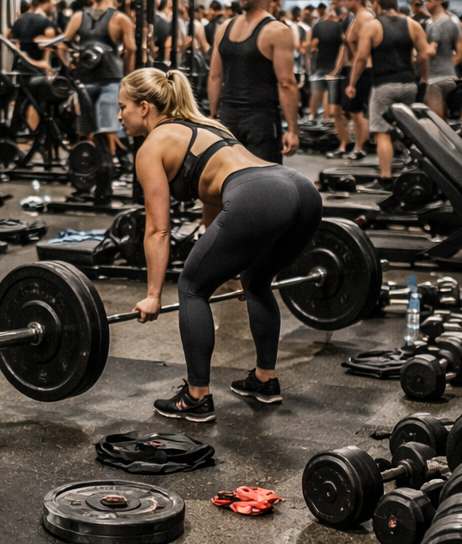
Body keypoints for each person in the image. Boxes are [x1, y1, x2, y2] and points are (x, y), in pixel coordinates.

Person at [120, 69, 322, 422]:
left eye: (123, 107)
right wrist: (228, 262)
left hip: (258, 196)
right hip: (300, 190)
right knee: (256, 281)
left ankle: (196, 396)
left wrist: (153, 294)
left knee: (191, 287)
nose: (120, 115)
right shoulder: (208, 125)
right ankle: (265, 379)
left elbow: (158, 230)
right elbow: (215, 199)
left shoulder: (152, 146)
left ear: (144, 107)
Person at [207, 0, 300, 163]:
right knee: (230, 177)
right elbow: (215, 76)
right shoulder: (225, 28)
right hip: (230, 119)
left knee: (258, 179)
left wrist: (292, 130)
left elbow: (286, 83)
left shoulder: (276, 30)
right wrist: (213, 117)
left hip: (260, 121)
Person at [347, 0, 430, 189]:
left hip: (384, 85)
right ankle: (412, 171)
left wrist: (352, 83)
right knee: (407, 129)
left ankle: (386, 178)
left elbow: (361, 58)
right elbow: (425, 53)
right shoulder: (412, 24)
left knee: (381, 132)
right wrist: (418, 71)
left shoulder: (372, 26)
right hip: (408, 84)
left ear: (377, 4)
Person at [61, 0, 136, 154]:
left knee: (88, 131)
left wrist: (70, 62)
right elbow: (131, 49)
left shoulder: (79, 17)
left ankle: (89, 164)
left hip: (89, 79)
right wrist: (128, 76)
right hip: (107, 79)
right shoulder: (120, 19)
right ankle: (106, 163)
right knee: (105, 131)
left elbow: (62, 44)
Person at [334, 0, 375, 160]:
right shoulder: (355, 17)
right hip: (354, 69)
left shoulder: (365, 17)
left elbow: (365, 51)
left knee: (357, 112)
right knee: (350, 111)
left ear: (356, 0)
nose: (345, 2)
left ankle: (359, 148)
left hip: (362, 69)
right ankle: (354, 146)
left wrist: (353, 80)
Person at [423, 0, 462, 120]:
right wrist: (451, 63)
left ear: (439, 1)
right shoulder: (452, 20)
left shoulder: (436, 23)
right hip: (449, 76)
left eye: (429, 0)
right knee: (443, 117)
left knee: (436, 120)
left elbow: (431, 50)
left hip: (435, 78)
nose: (426, 4)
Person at [307, 4, 344, 129]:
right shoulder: (339, 27)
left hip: (319, 64)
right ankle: (327, 119)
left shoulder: (318, 26)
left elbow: (313, 45)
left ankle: (312, 116)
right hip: (333, 66)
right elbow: (342, 46)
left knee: (317, 92)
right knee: (328, 93)